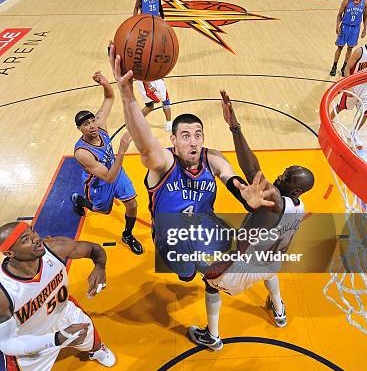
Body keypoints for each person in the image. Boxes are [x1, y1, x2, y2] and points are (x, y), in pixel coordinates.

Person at [108, 46, 276, 281]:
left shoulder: (212, 158)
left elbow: (231, 178)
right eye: (186, 136)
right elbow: (145, 144)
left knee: (227, 239)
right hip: (172, 236)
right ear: (173, 141)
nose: (193, 141)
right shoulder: (165, 162)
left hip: (202, 226)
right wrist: (127, 96)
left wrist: (244, 197)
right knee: (186, 275)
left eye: (198, 135)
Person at [188, 91, 315, 351]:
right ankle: (279, 311)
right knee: (269, 273)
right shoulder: (300, 207)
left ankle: (212, 336)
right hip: (271, 262)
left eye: (287, 176)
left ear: (296, 190)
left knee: (209, 283)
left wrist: (235, 128)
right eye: (284, 171)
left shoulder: (275, 202)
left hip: (242, 269)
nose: (280, 176)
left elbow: (252, 171)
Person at [0, 222, 115, 371]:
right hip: (30, 341)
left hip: (64, 314)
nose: (35, 238)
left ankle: (95, 350)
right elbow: (5, 344)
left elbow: (94, 250)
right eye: (25, 239)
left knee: (90, 335)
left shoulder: (56, 248)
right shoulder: (4, 294)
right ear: (10, 253)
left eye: (32, 231)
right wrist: (56, 339)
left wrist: (100, 267)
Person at [71, 71, 143, 255]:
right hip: (100, 182)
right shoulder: (83, 153)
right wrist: (121, 150)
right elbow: (108, 178)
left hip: (115, 171)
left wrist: (104, 82)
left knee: (132, 204)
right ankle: (79, 200)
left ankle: (127, 234)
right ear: (80, 129)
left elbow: (110, 97)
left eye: (92, 120)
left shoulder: (100, 125)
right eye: (86, 124)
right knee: (102, 210)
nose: (92, 125)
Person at [330, 27, 367, 151]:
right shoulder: (360, 51)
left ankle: (354, 132)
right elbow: (346, 68)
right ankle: (327, 122)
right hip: (356, 84)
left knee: (365, 113)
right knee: (341, 107)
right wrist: (349, 86)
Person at [330, 0, 367, 77]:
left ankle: (344, 67)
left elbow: (366, 15)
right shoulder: (346, 2)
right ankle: (334, 66)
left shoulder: (366, 2)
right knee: (340, 47)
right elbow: (339, 15)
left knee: (350, 48)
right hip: (345, 27)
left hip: (355, 28)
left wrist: (365, 28)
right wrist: (337, 26)